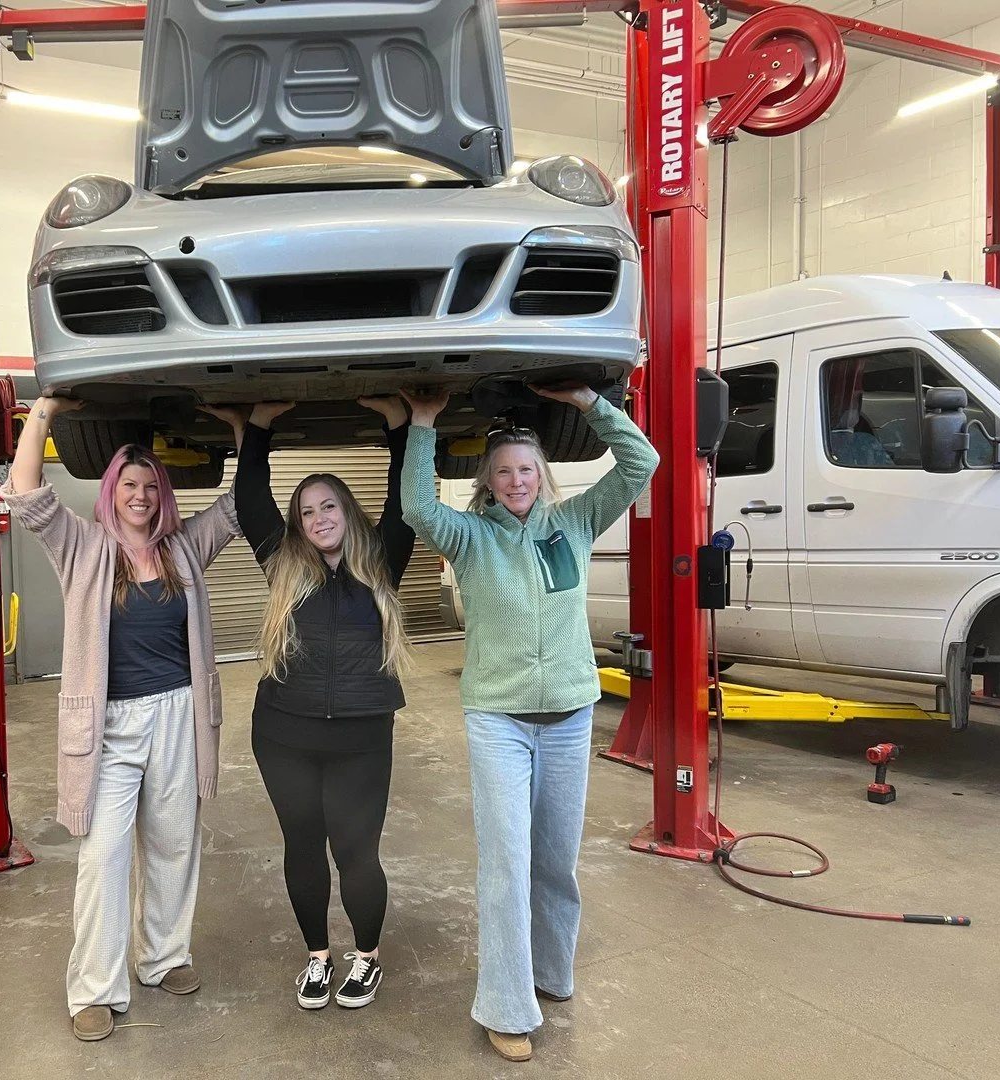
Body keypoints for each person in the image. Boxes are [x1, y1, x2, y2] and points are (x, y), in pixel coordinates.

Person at [399, 383, 658, 1063]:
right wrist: (423, 422)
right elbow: (417, 508)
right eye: (504, 471)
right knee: (508, 862)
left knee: (555, 859)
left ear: (542, 476)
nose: (517, 481)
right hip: (500, 719)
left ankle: (549, 972)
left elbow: (643, 464)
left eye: (527, 469)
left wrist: (587, 402)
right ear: (487, 482)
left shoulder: (573, 522)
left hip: (571, 713)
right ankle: (508, 1007)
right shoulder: (471, 537)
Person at [2, 397, 244, 1044]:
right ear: (111, 491)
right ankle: (95, 987)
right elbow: (25, 491)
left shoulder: (183, 548)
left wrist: (251, 432)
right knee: (104, 854)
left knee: (174, 843)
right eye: (129, 485)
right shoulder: (81, 545)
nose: (140, 495)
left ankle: (163, 957)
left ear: (164, 493)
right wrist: (46, 408)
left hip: (178, 717)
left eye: (149, 485)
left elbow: (240, 506)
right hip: (109, 726)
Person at [202, 396, 415, 1011]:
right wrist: (259, 426)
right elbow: (250, 502)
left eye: (329, 505)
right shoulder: (283, 565)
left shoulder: (383, 565)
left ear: (347, 511)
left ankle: (366, 956)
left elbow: (403, 504)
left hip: (360, 737)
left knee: (356, 854)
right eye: (307, 511)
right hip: (283, 735)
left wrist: (402, 427)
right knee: (302, 846)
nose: (319, 517)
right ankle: (319, 957)